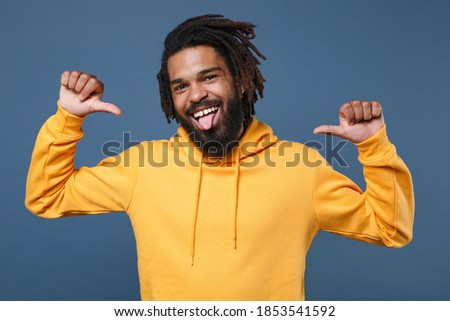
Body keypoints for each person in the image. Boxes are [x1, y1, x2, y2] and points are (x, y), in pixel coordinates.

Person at [25, 14, 414, 300]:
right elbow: (47, 197)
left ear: (240, 79)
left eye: (209, 77)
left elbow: (390, 228)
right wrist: (68, 119)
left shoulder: (302, 170)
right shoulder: (143, 168)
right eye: (181, 86)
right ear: (170, 97)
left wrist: (374, 146)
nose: (195, 96)